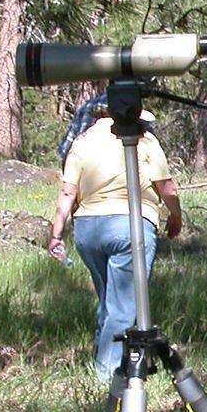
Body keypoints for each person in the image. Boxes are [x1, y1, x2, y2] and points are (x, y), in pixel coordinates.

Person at [47, 107, 184, 381]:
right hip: (131, 224)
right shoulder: (142, 139)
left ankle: (109, 355)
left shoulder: (82, 142)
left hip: (88, 227)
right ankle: (106, 375)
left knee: (109, 300)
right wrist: (175, 216)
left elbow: (68, 191)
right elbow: (166, 186)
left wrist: (56, 233)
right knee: (124, 306)